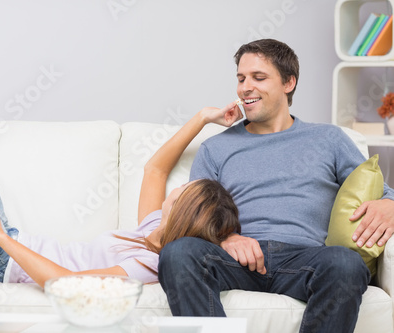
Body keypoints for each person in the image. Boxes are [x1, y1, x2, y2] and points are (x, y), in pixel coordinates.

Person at [157, 39, 394, 333]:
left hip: (304, 259)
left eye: (259, 77)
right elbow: (193, 213)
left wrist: (390, 205)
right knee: (179, 253)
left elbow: (379, 191)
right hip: (236, 259)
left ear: (288, 82)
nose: (245, 87)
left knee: (345, 263)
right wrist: (226, 237)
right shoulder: (215, 148)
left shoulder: (328, 139)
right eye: (241, 78)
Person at [0, 109, 240, 288]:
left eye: (186, 191)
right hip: (5, 244)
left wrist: (0, 238)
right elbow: (155, 170)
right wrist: (203, 118)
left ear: (183, 211)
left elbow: (67, 285)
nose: (179, 187)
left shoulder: (148, 265)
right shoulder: (152, 227)